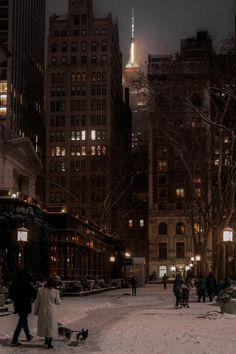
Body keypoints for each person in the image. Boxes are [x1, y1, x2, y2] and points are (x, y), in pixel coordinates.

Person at [9, 269, 36, 346]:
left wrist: (16, 299)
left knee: (23, 319)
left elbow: (10, 295)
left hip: (18, 305)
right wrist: (31, 298)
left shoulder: (14, 284)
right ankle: (15, 338)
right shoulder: (28, 284)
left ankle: (28, 335)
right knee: (22, 320)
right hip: (25, 305)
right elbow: (34, 295)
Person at [34, 277, 61, 349]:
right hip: (51, 311)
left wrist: (36, 311)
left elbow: (37, 302)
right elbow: (58, 302)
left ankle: (46, 340)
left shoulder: (40, 290)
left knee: (44, 325)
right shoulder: (55, 291)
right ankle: (49, 343)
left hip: (42, 310)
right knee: (51, 326)